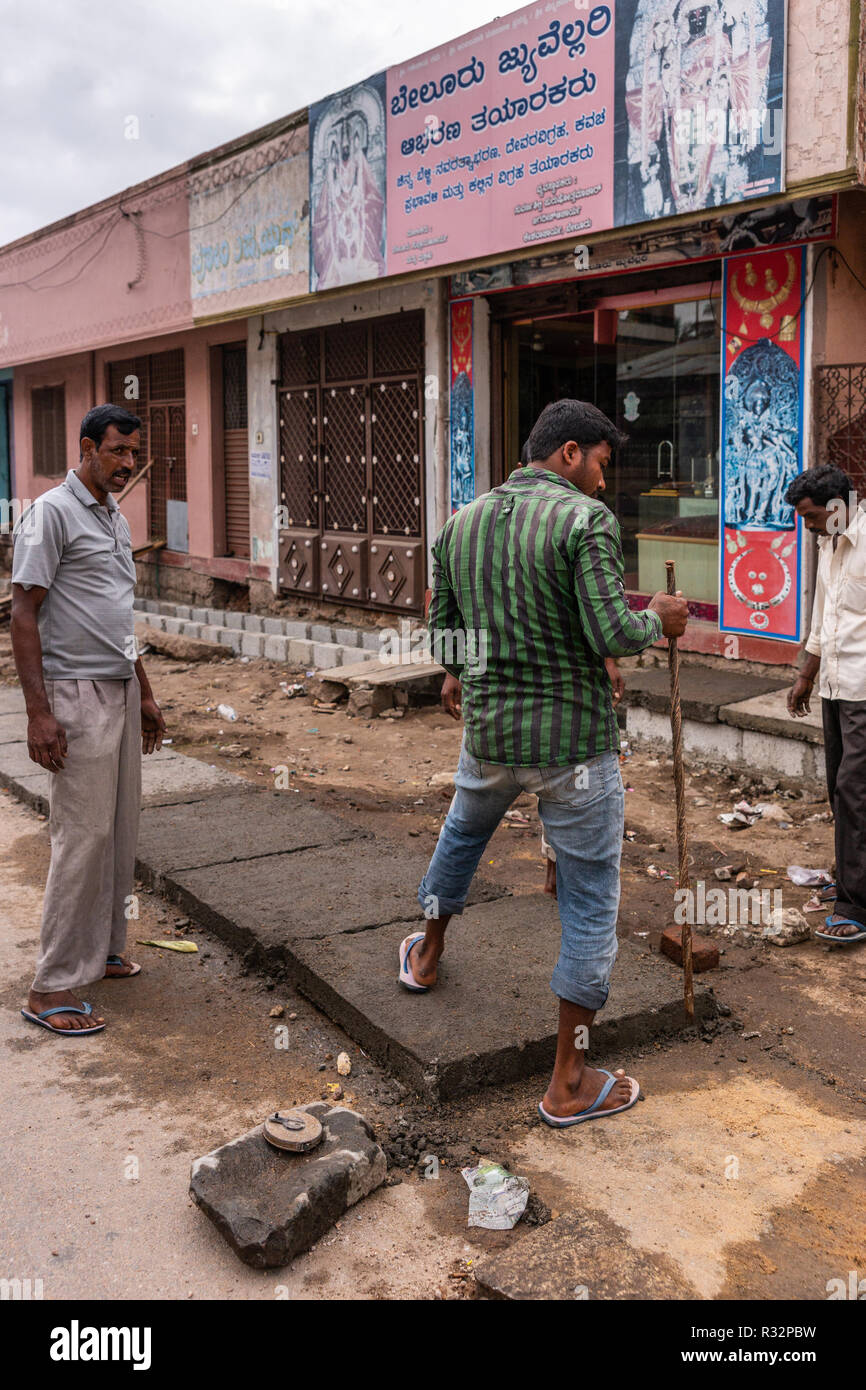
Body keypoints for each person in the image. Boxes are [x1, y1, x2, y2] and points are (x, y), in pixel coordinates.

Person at [400, 399, 689, 1126]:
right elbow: (611, 629)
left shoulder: (459, 526)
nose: (601, 480)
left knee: (462, 839)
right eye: (599, 462)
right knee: (590, 897)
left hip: (492, 737)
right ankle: (567, 1081)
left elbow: (447, 650)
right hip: (574, 750)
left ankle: (426, 955)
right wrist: (661, 618)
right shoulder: (584, 522)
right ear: (567, 453)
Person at [11, 403, 166, 1035]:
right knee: (80, 838)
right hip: (73, 696)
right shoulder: (50, 514)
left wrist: (146, 692)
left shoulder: (112, 515)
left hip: (119, 691)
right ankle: (51, 987)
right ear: (85, 448)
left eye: (133, 452)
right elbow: (24, 615)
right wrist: (39, 713)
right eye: (117, 452)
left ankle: (99, 952)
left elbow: (114, 618)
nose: (128, 463)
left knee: (117, 831)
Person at [786, 464, 866, 944]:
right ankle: (853, 877)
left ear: (837, 507)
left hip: (864, 690)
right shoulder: (827, 542)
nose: (808, 526)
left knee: (855, 791)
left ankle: (855, 904)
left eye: (812, 516)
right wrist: (806, 675)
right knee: (841, 788)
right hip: (836, 688)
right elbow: (821, 616)